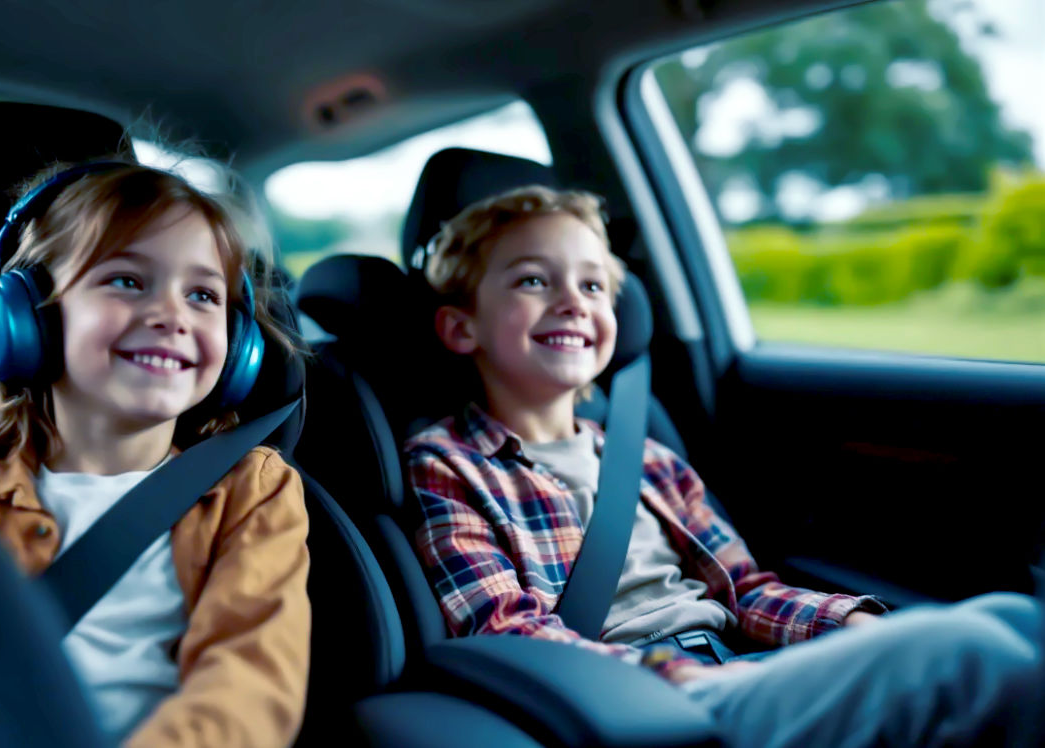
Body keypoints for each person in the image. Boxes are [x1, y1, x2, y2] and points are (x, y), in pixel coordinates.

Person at [405, 184, 1041, 746]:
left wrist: (845, 620)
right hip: (634, 698)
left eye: (593, 284)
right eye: (533, 280)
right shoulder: (449, 464)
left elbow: (743, 590)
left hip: (732, 660)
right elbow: (505, 629)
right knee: (975, 660)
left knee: (1009, 620)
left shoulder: (650, 460)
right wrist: (668, 674)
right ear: (462, 328)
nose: (572, 301)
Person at [0, 158, 310, 748]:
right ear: (24, 315)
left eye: (201, 294)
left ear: (239, 343)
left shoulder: (252, 491)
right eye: (126, 280)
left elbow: (250, 687)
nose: (171, 315)